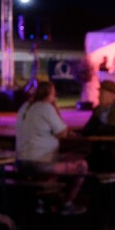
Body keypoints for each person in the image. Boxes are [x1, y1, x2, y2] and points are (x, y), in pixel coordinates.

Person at [16, 81, 88, 215]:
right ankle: (67, 203)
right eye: (54, 95)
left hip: (21, 161)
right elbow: (63, 132)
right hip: (40, 163)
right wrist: (55, 108)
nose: (55, 98)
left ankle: (44, 202)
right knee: (81, 165)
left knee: (57, 163)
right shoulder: (46, 108)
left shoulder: (24, 107)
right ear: (49, 95)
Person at [81, 79, 115, 172]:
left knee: (92, 163)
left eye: (102, 93)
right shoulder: (98, 109)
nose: (99, 96)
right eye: (100, 93)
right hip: (101, 150)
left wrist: (96, 129)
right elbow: (88, 128)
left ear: (111, 96)